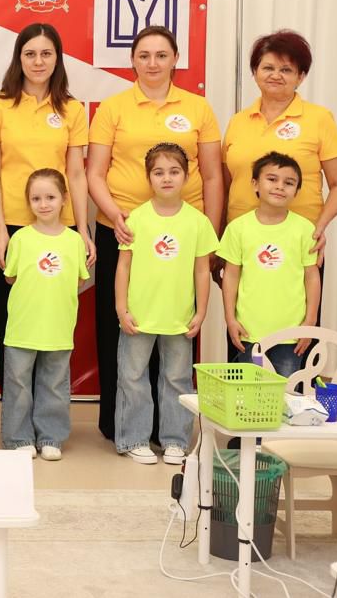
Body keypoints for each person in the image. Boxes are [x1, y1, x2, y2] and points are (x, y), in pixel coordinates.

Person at [87, 25, 221, 441]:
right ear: (132, 60)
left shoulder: (198, 108)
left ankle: (170, 429)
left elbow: (213, 176)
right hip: (123, 232)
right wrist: (116, 216)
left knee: (175, 329)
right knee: (122, 328)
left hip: (183, 237)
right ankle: (121, 426)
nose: (152, 63)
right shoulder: (113, 108)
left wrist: (211, 236)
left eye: (161, 55)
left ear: (175, 59)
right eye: (143, 55)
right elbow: (95, 173)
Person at [0, 24, 92, 394]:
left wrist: (83, 231)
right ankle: (15, 413)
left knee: (54, 319)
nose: (38, 61)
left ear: (57, 59)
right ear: (19, 58)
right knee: (12, 320)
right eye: (30, 54)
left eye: (46, 53)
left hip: (60, 231)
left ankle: (49, 412)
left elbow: (76, 173)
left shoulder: (72, 109)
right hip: (11, 226)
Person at [222, 30, 337, 308]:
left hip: (298, 243)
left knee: (297, 326)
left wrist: (319, 227)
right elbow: (226, 183)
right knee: (244, 324)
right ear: (255, 72)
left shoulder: (319, 119)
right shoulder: (238, 122)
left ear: (301, 76)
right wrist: (222, 236)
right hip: (243, 242)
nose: (275, 75)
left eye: (286, 69)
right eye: (267, 67)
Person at [114, 143, 217, 466]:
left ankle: (175, 440)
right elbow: (124, 267)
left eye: (174, 171)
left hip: (179, 317)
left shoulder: (198, 222)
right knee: (132, 377)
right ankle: (134, 438)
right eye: (158, 172)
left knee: (177, 379)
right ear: (148, 178)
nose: (167, 178)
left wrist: (201, 311)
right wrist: (121, 308)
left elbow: (202, 270)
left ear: (187, 176)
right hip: (139, 316)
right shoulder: (135, 218)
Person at [2, 169, 89, 460]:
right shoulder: (21, 238)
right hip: (23, 327)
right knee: (18, 385)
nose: (43, 204)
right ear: (28, 202)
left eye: (50, 197)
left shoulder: (74, 241)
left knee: (54, 385)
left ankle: (51, 437)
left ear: (64, 199)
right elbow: (11, 276)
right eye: (36, 198)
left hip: (58, 326)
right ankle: (18, 438)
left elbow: (78, 280)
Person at [219, 152, 321, 378]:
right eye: (272, 179)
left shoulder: (305, 229)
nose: (280, 186)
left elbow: (312, 276)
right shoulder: (238, 228)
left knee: (285, 392)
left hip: (291, 334)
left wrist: (310, 321)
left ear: (297, 191)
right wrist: (230, 319)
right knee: (249, 391)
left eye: (289, 182)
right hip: (249, 331)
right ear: (255, 184)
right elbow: (231, 275)